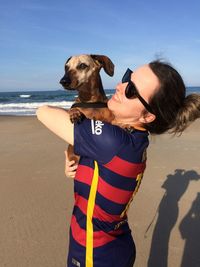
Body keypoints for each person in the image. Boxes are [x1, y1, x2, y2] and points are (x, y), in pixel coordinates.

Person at [37, 60, 200, 267]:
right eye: (126, 78)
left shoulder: (113, 142)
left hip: (94, 253)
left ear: (148, 115)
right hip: (116, 246)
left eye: (131, 90)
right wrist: (74, 162)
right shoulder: (137, 140)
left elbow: (43, 112)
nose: (120, 86)